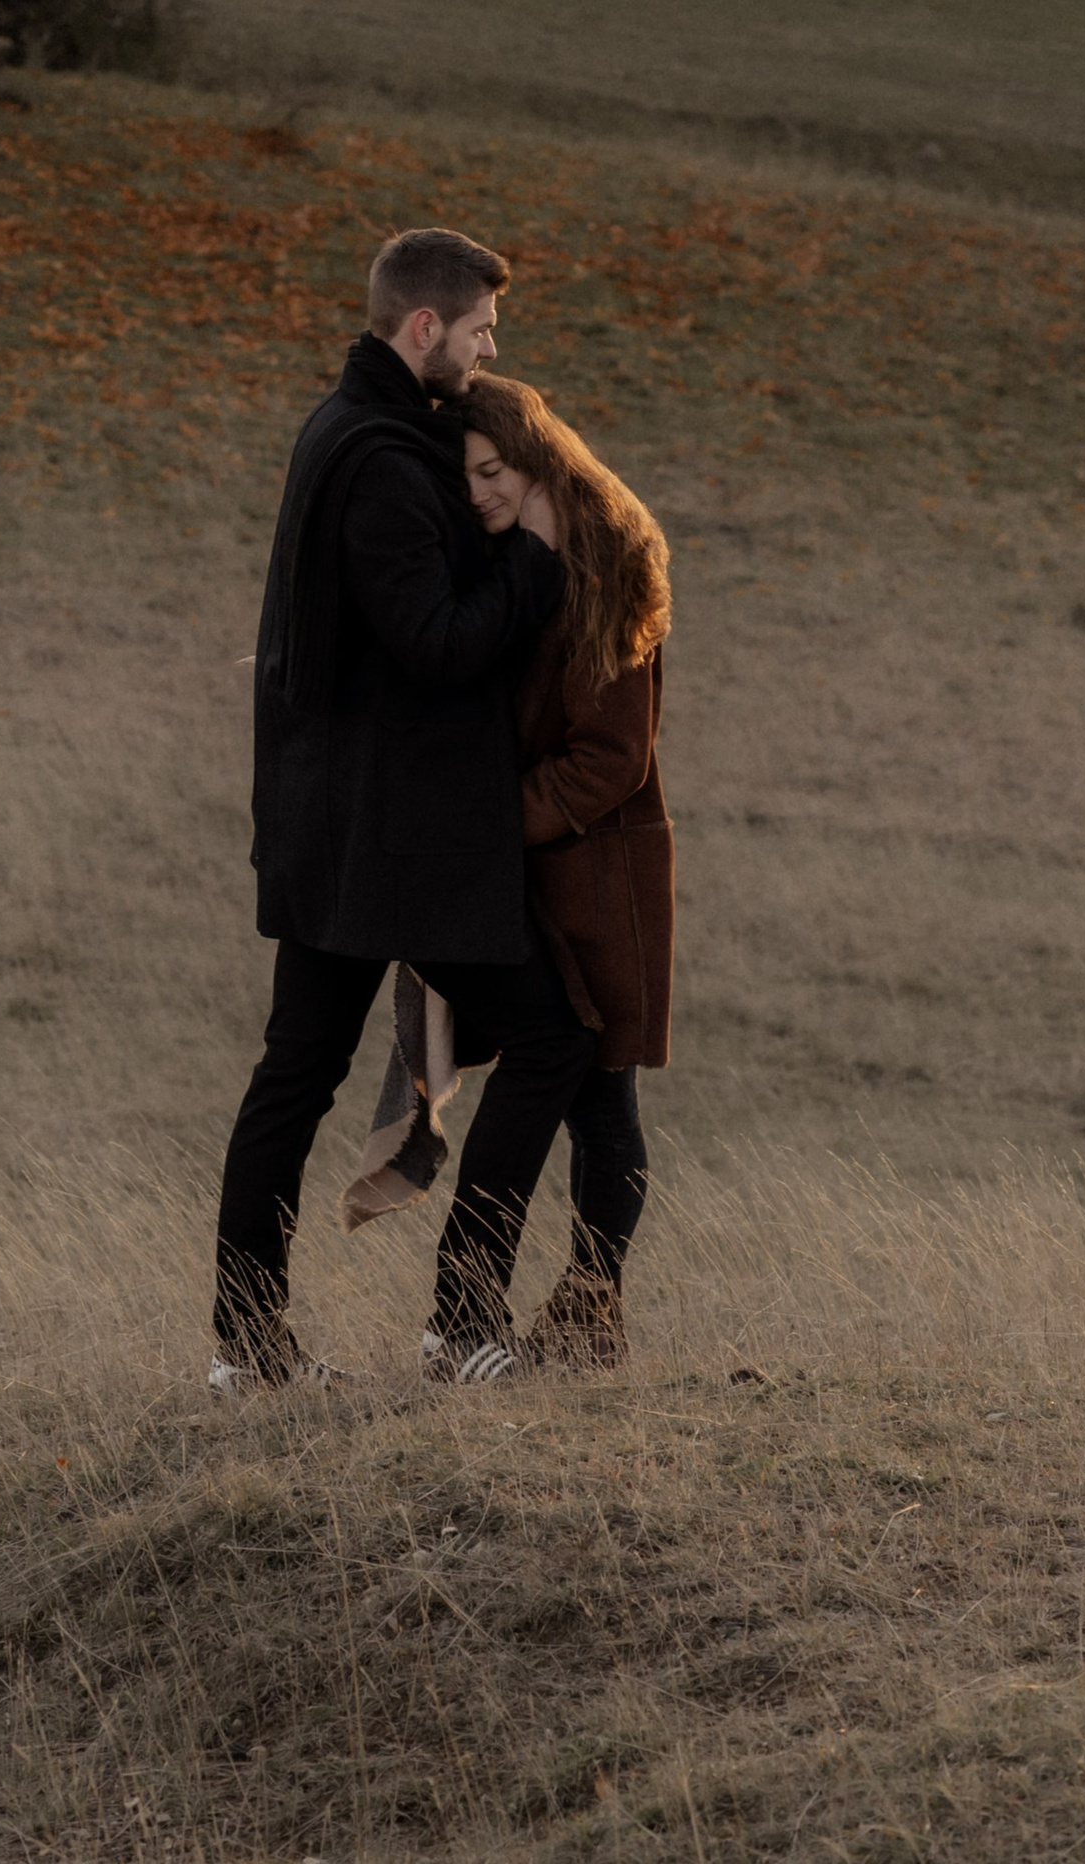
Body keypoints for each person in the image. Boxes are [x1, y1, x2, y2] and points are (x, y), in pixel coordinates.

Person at [211, 226, 594, 1392]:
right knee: (547, 1038)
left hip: (351, 833)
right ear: (420, 325)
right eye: (479, 328)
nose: (489, 349)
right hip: (391, 841)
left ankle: (254, 1352)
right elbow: (431, 647)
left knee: (296, 1072)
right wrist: (534, 559)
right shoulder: (378, 459)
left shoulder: (362, 433)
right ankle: (458, 1324)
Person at [459, 371, 673, 1370]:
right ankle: (583, 1320)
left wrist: (495, 822)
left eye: (493, 470)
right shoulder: (520, 552)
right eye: (468, 476)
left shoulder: (610, 558)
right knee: (575, 1085)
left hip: (597, 874)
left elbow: (610, 756)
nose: (480, 493)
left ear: (536, 456)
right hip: (539, 873)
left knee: (603, 1092)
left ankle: (590, 1309)